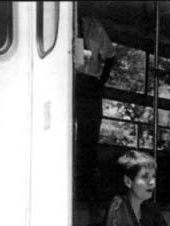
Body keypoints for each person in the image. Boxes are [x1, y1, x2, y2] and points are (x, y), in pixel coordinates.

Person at [75, 16, 116, 201]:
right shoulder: (56, 20)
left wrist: (101, 82)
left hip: (89, 83)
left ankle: (86, 185)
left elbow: (111, 56)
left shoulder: (94, 26)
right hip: (65, 79)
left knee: (89, 135)